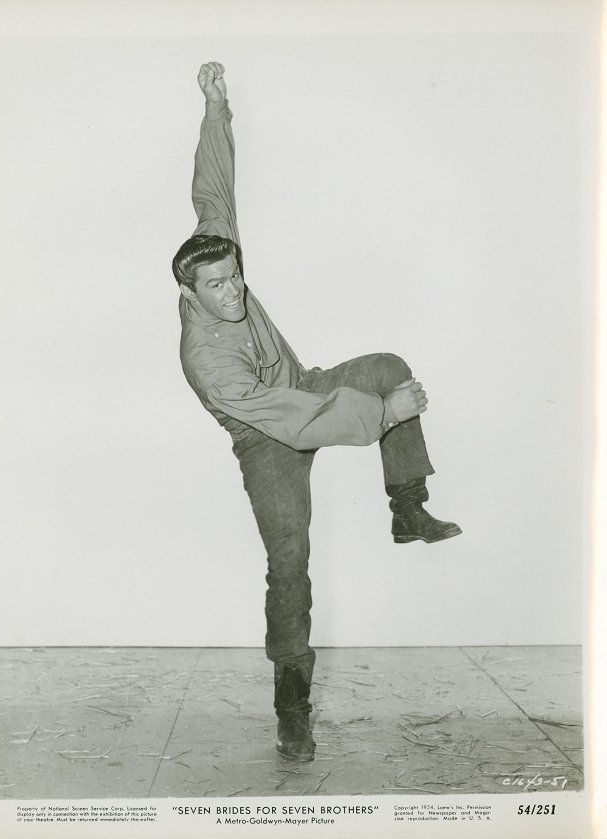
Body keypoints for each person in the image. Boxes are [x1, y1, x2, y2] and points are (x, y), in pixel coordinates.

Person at [172, 61, 461, 762]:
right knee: (290, 557)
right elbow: (293, 421)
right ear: (192, 292)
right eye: (218, 285)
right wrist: (381, 416)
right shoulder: (206, 359)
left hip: (302, 383)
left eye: (235, 273)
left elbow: (213, 190)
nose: (234, 288)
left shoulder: (218, 254)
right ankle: (292, 705)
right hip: (264, 436)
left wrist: (216, 108)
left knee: (387, 363)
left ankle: (406, 505)